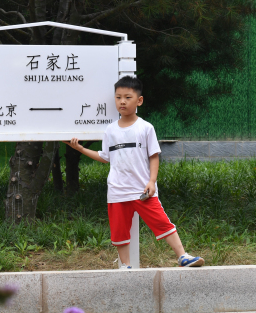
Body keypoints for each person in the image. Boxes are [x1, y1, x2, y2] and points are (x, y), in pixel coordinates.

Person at [66, 75, 204, 269]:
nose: (122, 101)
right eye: (118, 97)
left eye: (128, 97)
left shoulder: (146, 128)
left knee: (162, 222)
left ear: (139, 100)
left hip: (142, 190)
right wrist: (80, 149)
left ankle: (183, 256)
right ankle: (126, 266)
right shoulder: (110, 130)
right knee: (119, 231)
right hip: (116, 191)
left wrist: (152, 181)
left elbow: (153, 156)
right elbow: (105, 156)